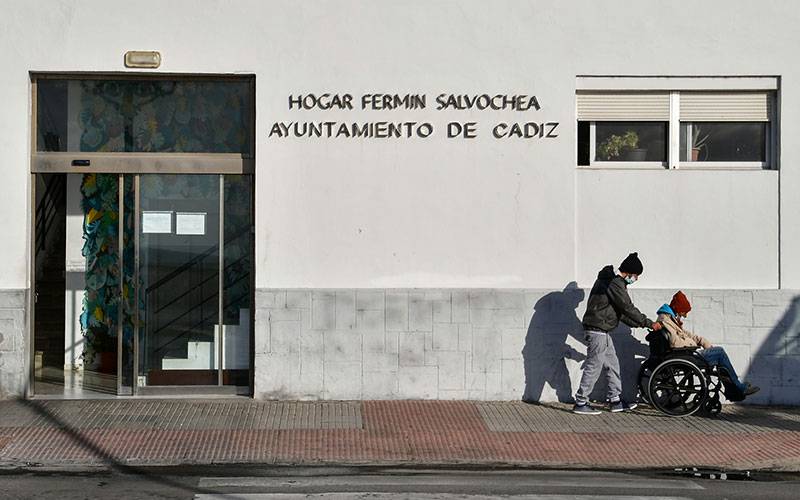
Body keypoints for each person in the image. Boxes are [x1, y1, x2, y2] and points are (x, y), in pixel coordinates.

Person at [573, 252, 662, 415]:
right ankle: (580, 402)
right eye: (636, 275)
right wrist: (648, 322)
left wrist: (640, 324)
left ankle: (615, 400)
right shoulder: (615, 282)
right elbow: (627, 307)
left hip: (603, 331)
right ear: (629, 272)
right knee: (594, 366)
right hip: (597, 331)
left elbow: (620, 313)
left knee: (612, 365)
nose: (636, 279)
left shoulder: (610, 281)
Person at [656, 291, 759, 401]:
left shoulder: (671, 319)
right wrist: (693, 344)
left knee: (718, 354)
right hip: (684, 355)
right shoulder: (666, 320)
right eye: (684, 312)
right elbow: (676, 343)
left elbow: (686, 335)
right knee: (720, 353)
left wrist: (702, 341)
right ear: (677, 308)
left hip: (685, 353)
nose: (685, 316)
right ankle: (738, 389)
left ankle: (733, 390)